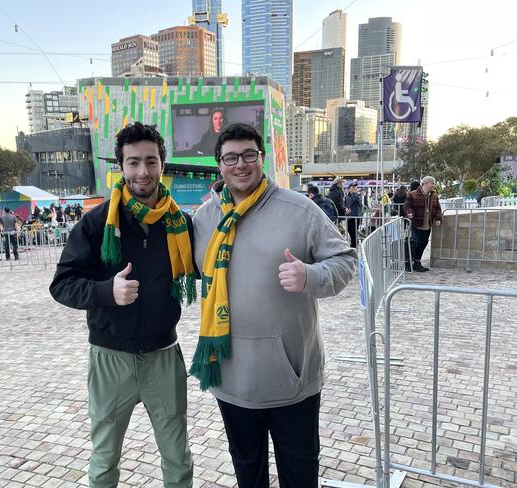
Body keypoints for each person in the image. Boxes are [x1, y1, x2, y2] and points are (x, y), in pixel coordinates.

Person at [190, 123, 357, 488]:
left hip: (291, 378)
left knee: (299, 472)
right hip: (231, 376)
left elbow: (345, 261)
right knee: (248, 472)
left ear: (262, 158)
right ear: (219, 164)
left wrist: (309, 276)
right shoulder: (204, 219)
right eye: (231, 157)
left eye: (249, 154)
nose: (241, 164)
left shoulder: (300, 210)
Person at [49, 122, 196, 488]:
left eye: (150, 161)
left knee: (178, 458)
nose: (142, 172)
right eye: (133, 163)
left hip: (164, 355)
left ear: (163, 164)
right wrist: (105, 292)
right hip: (109, 357)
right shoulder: (97, 223)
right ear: (121, 167)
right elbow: (62, 284)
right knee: (104, 459)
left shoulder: (181, 223)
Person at [404, 176, 443, 272]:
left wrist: (438, 218)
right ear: (425, 184)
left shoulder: (434, 195)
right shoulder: (412, 194)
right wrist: (410, 212)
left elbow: (438, 208)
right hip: (416, 223)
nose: (433, 185)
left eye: (434, 183)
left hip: (428, 224)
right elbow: (407, 205)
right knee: (419, 242)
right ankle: (410, 262)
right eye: (432, 183)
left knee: (424, 243)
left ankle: (416, 262)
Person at [345, 182, 362, 248]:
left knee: (354, 230)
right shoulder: (346, 196)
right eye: (353, 187)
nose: (355, 188)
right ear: (349, 189)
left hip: (355, 216)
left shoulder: (357, 195)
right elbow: (346, 204)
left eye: (355, 187)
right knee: (349, 229)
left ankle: (354, 244)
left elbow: (354, 200)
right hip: (349, 216)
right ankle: (354, 241)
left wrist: (354, 193)